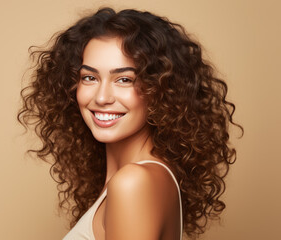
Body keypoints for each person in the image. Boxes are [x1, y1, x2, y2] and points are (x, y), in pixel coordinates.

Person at [18, 7, 243, 240]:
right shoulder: (134, 179)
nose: (102, 97)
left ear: (159, 88)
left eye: (124, 79)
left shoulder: (134, 183)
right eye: (89, 77)